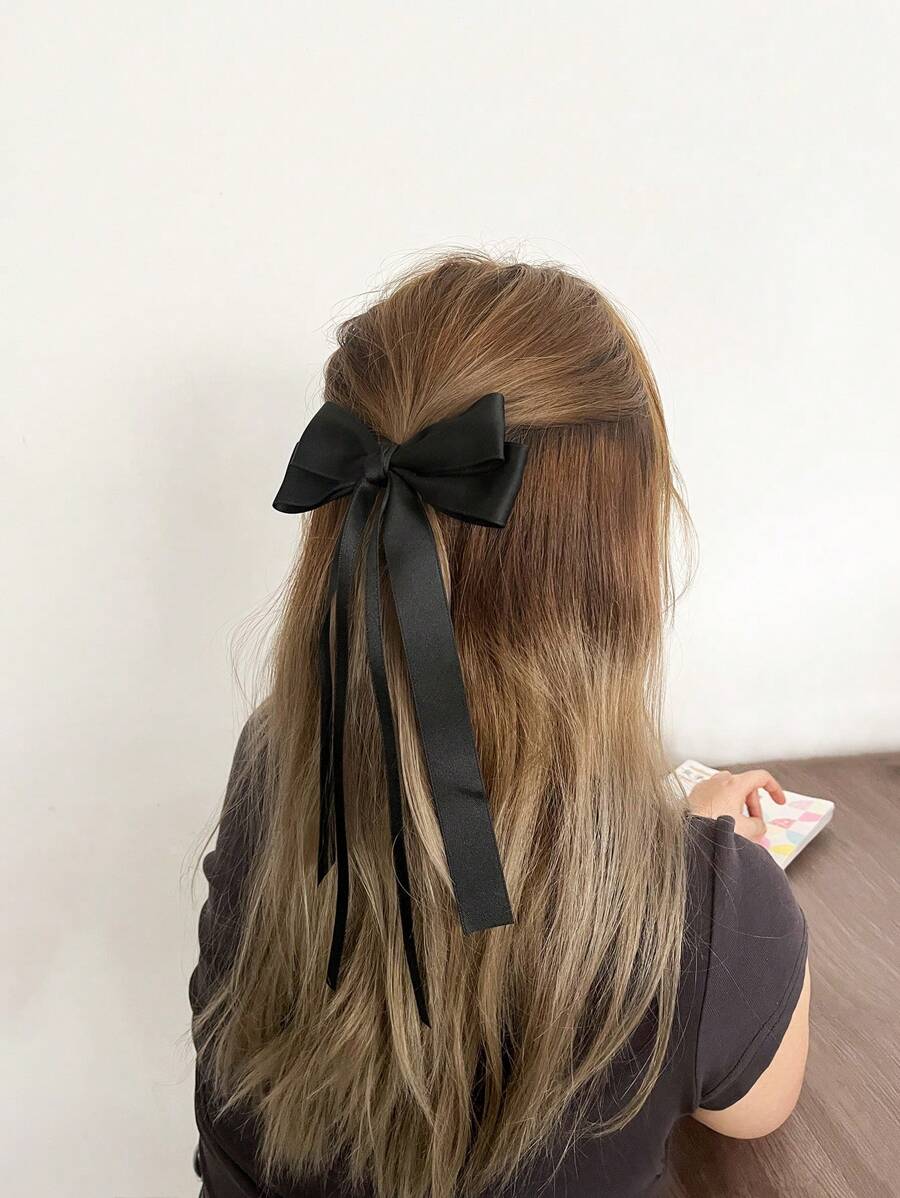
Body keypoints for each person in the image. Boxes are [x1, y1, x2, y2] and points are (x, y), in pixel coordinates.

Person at [189, 253, 810, 1198]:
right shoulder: (715, 914)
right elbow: (756, 1110)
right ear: (617, 568)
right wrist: (706, 867)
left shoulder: (276, 771)